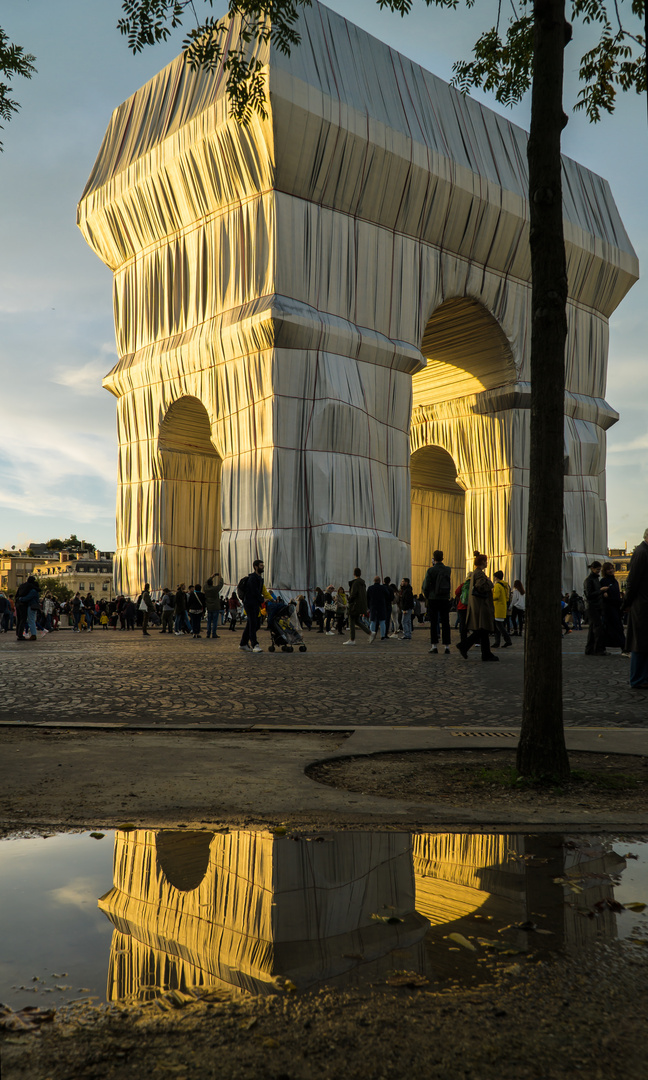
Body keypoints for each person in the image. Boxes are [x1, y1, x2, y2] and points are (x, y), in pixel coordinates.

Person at [456, 554, 498, 661]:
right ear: (482, 562)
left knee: (483, 630)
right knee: (483, 629)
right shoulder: (479, 573)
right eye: (486, 561)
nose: (487, 562)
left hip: (478, 605)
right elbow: (481, 587)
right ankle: (464, 646)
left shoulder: (475, 573)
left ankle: (486, 653)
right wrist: (490, 583)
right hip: (481, 606)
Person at [623, 528, 648, 689]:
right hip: (641, 605)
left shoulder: (643, 552)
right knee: (640, 642)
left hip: (643, 603)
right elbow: (632, 581)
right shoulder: (641, 553)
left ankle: (641, 677)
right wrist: (626, 603)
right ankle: (638, 678)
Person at [422, 550, 452, 654]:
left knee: (434, 622)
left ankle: (434, 646)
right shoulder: (448, 570)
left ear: (433, 559)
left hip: (433, 598)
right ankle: (447, 646)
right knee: (445, 622)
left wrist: (428, 595)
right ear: (443, 558)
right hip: (444, 598)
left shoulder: (431, 571)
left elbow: (425, 585)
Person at [240, 559, 269, 653]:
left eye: (263, 565)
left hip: (255, 604)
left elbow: (261, 591)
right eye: (261, 565)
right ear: (255, 567)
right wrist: (262, 599)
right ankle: (255, 645)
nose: (263, 567)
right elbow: (254, 591)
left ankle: (243, 643)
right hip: (250, 603)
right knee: (253, 624)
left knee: (254, 624)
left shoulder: (259, 578)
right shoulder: (253, 578)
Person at [600, 561, 625, 650]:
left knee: (617, 627)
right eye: (609, 569)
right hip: (609, 608)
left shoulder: (614, 580)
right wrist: (603, 593)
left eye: (612, 568)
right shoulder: (604, 581)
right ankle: (623, 646)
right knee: (612, 628)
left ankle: (622, 645)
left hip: (616, 606)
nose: (611, 570)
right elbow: (601, 594)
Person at [583, 561, 606, 656]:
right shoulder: (589, 580)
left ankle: (590, 649)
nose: (599, 572)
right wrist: (600, 591)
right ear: (592, 569)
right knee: (597, 627)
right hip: (592, 606)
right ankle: (597, 649)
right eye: (597, 570)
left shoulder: (594, 579)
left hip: (595, 606)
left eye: (599, 570)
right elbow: (589, 595)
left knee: (593, 628)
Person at [343, 568, 370, 645]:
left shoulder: (355, 583)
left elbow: (353, 594)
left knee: (351, 620)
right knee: (357, 621)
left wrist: (349, 599)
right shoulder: (363, 583)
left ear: (354, 573)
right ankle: (370, 632)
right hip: (360, 605)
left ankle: (352, 639)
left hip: (354, 605)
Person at [492, 571, 512, 648]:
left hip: (498, 608)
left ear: (496, 577)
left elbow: (496, 596)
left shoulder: (497, 586)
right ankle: (497, 642)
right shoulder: (505, 585)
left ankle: (507, 640)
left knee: (499, 627)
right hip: (502, 608)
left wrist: (491, 595)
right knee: (498, 627)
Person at [367, 576, 389, 642]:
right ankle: (383, 636)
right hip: (381, 606)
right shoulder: (383, 588)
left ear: (374, 581)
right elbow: (387, 596)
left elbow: (367, 598)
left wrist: (368, 607)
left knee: (373, 622)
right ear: (380, 581)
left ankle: (372, 634)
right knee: (382, 622)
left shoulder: (370, 588)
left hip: (373, 607)